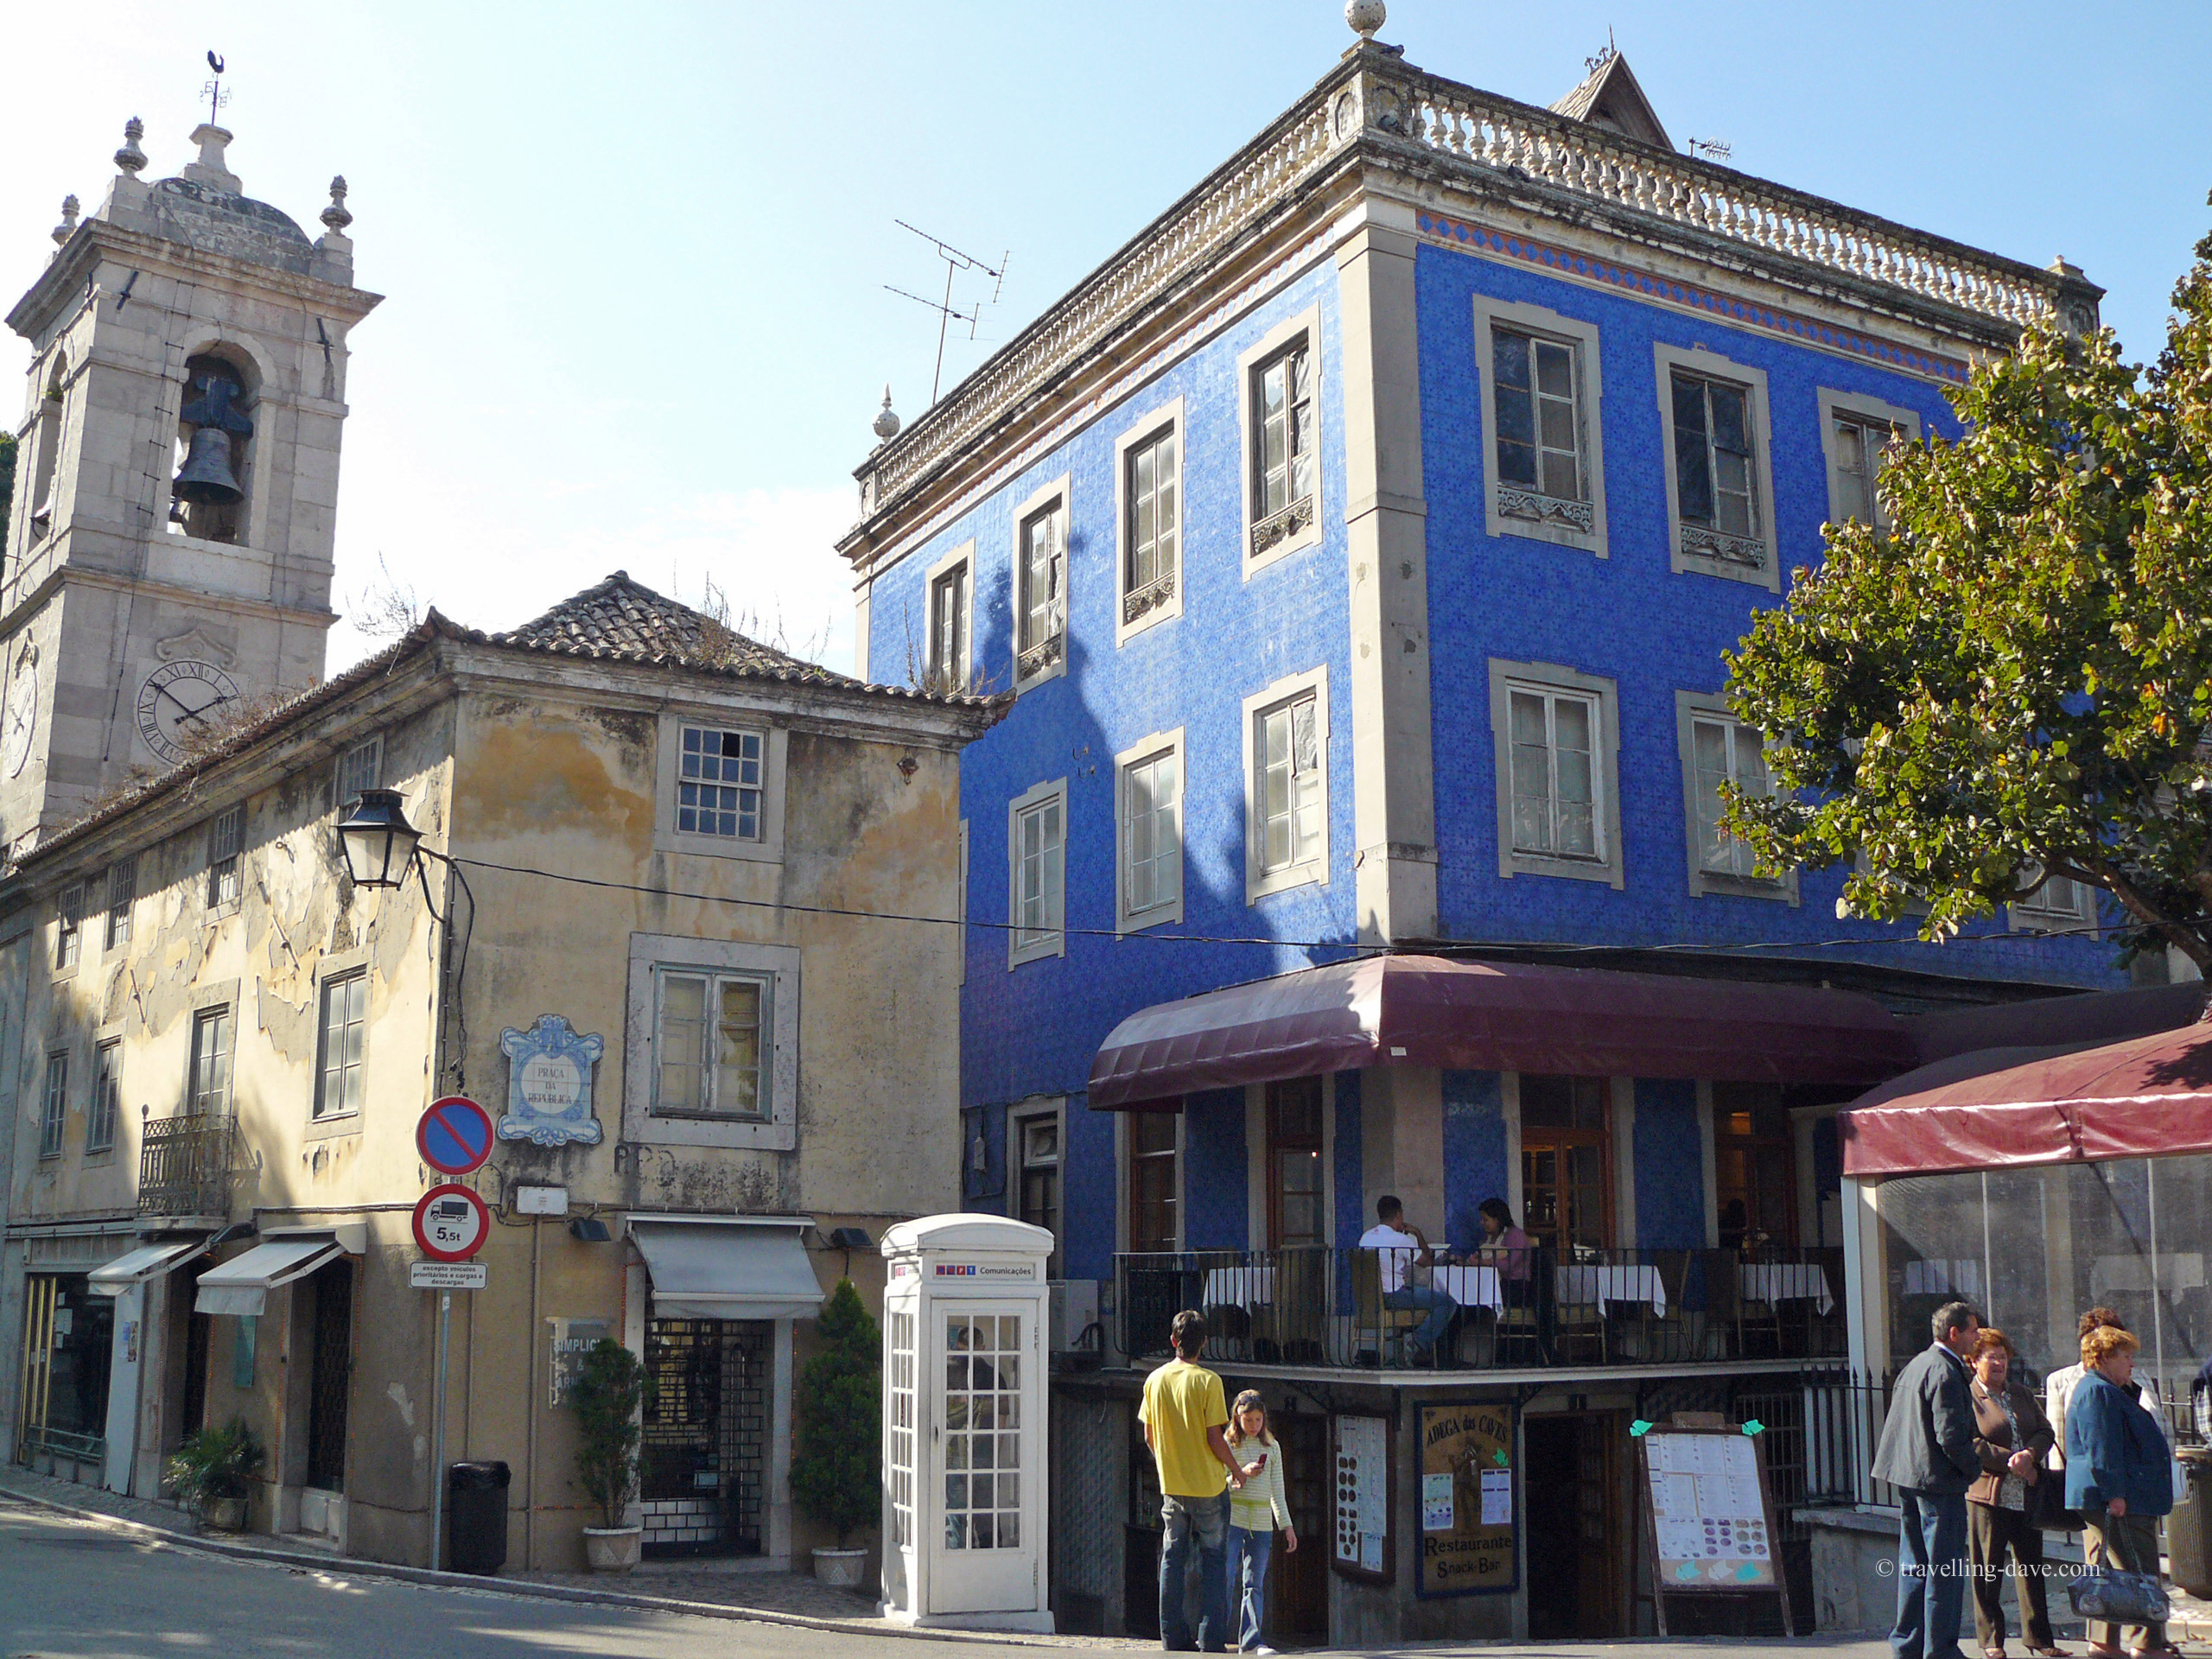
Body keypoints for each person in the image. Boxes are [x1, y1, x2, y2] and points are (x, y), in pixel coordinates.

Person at [1140, 1310, 1259, 1653]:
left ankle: (1172, 1637)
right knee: (1214, 1561)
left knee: (1172, 1558)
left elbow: (1149, 1434)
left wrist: (1166, 1462)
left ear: (1173, 1342)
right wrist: (1237, 1471)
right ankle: (1210, 1638)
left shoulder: (1154, 1379)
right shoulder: (1208, 1381)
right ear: (1204, 1343)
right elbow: (1214, 1437)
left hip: (1172, 1485)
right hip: (1208, 1485)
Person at [1872, 1300, 1984, 1659]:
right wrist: (1973, 1469)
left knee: (1914, 1566)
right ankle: (1941, 1650)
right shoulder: (1945, 1371)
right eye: (1972, 1329)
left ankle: (1908, 1646)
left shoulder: (1918, 1364)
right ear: (1954, 1334)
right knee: (1944, 1572)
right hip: (1938, 1482)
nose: (1977, 1335)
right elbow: (1950, 1436)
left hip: (1909, 1476)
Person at [2063, 1325, 2176, 1659]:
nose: (2131, 1363)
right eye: (2125, 1356)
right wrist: (2115, 1494)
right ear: (2104, 1358)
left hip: (2110, 1495)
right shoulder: (2098, 1391)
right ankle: (2146, 1644)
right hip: (2115, 1496)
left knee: (2108, 1571)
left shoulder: (2107, 1389)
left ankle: (2104, 1644)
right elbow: (2103, 1448)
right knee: (2139, 1571)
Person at [1964, 1329, 2064, 1659]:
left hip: (2027, 1493)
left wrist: (2031, 1456)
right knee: (1988, 1570)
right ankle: (1992, 1640)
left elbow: (2045, 1430)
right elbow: (1971, 1442)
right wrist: (2010, 1461)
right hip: (1989, 1496)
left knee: (2031, 1568)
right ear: (1974, 1361)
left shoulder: (2020, 1393)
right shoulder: (1968, 1398)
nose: (1999, 1363)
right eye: (1991, 1357)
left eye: (2003, 1357)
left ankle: (2040, 1639)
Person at [2048, 1308, 2170, 1478]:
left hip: (2134, 1476)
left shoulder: (2135, 1376)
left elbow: (2159, 1425)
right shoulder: (2061, 1380)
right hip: (2087, 1479)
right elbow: (2058, 1441)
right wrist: (2060, 1481)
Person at [1224, 1389, 1296, 1656]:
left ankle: (1252, 1641)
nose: (1254, 1425)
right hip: (1234, 1518)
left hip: (1262, 1523)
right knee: (1227, 1578)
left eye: (1258, 1419)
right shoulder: (1229, 1443)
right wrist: (1240, 1475)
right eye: (1248, 1419)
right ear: (1237, 1417)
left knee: (1254, 1583)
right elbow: (1220, 1484)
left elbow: (1278, 1491)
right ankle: (1218, 1637)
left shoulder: (1272, 1446)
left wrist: (1286, 1526)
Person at [1357, 1195, 1458, 1366]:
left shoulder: (1365, 1238)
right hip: (1394, 1296)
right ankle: (1416, 1341)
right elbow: (1427, 1261)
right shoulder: (1400, 1239)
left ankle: (1405, 1351)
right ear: (1399, 1214)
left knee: (1415, 1291)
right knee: (1447, 1303)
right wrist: (1417, 1233)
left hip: (1371, 1300)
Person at [1472, 1197, 1533, 1285]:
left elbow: (1509, 1264)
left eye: (1485, 1219)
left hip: (1514, 1283)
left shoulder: (1515, 1235)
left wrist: (1484, 1262)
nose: (1482, 1222)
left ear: (1497, 1220)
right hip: (1493, 1281)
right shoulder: (1489, 1238)